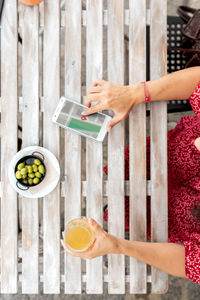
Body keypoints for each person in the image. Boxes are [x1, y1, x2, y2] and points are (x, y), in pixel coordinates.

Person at [61, 66, 200, 284]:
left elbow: (189, 262)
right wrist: (135, 93)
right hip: (160, 155)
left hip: (158, 215)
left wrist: (119, 245)